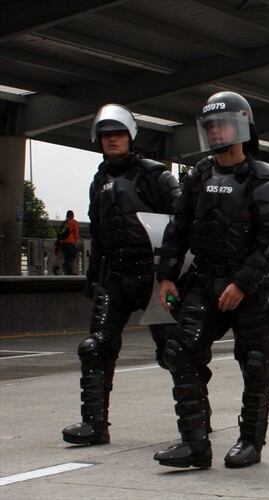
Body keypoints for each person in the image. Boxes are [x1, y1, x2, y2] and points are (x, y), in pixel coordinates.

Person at [153, 92, 269, 468]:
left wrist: (243, 283)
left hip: (249, 290)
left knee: (257, 363)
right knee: (179, 351)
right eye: (210, 126)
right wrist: (166, 277)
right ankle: (194, 445)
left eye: (223, 124)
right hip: (203, 282)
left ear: (243, 127)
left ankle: (250, 443)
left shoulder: (264, 179)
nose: (216, 133)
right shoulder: (198, 175)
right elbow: (177, 229)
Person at [62, 104, 181, 446]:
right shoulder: (99, 181)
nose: (112, 140)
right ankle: (94, 424)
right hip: (114, 275)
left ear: (130, 137)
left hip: (154, 275)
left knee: (175, 351)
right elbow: (98, 235)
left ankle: (196, 421)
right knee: (95, 348)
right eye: (106, 135)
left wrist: (174, 274)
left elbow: (182, 225)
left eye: (117, 134)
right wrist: (93, 279)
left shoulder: (156, 176)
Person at [57, 210, 80, 275]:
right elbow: (76, 233)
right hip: (70, 242)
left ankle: (67, 272)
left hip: (63, 243)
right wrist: (76, 240)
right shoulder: (73, 222)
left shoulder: (64, 222)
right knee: (72, 257)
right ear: (72, 215)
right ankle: (67, 268)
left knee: (67, 257)